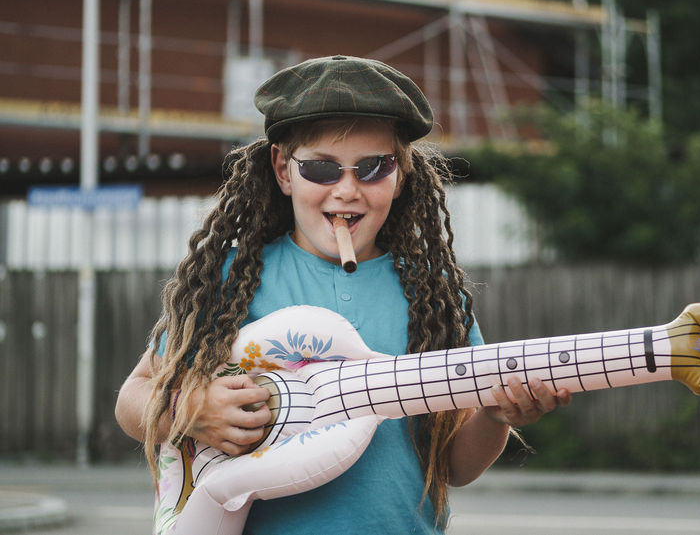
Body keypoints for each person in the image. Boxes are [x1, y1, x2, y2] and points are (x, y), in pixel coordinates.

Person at [115, 54, 571, 534]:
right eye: (322, 169)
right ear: (283, 170)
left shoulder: (435, 298)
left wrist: (498, 416)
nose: (347, 190)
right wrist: (191, 409)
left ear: (400, 176)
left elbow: (456, 467)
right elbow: (133, 400)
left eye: (373, 167)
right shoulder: (232, 280)